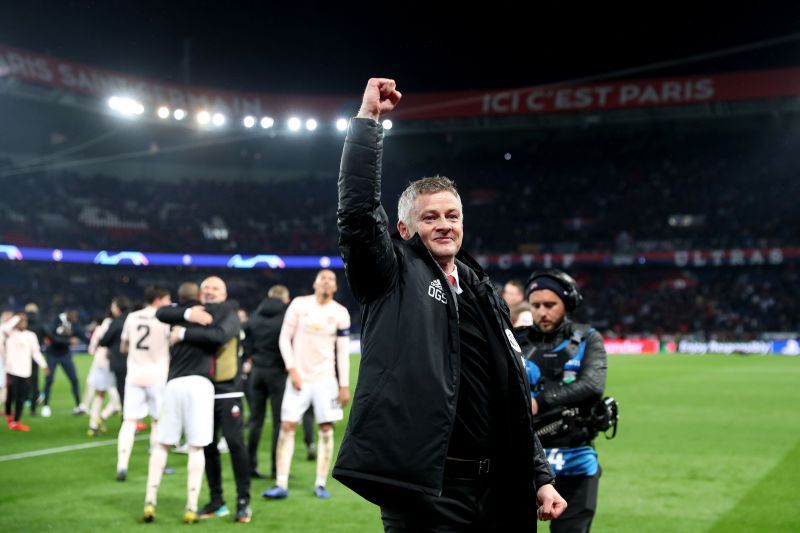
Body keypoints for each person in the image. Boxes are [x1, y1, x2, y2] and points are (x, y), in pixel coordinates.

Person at [334, 78, 565, 531]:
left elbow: (510, 392)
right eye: (430, 217)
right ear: (404, 229)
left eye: (452, 215)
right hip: (428, 493)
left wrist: (539, 476)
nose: (444, 225)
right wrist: (367, 124)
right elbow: (358, 217)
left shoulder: (482, 290)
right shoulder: (391, 274)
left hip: (501, 490)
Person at [148, 277, 250, 524]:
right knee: (208, 446)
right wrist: (187, 313)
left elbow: (219, 336)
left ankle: (243, 502)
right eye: (206, 288)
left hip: (228, 391)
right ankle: (217, 501)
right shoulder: (194, 312)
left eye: (215, 288)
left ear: (224, 294)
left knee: (235, 445)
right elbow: (161, 312)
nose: (209, 292)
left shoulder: (230, 313)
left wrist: (182, 332)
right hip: (202, 390)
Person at [519, 269, 608, 533]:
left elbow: (592, 385)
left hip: (576, 458)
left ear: (567, 304)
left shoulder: (588, 338)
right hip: (526, 463)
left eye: (550, 305)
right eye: (535, 306)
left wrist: (538, 401)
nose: (542, 312)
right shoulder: (516, 339)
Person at [262, 269, 351, 500]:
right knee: (287, 426)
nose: (326, 282)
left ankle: (320, 483)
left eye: (331, 279)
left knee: (325, 429)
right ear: (315, 283)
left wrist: (343, 385)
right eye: (322, 278)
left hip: (326, 381)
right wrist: (292, 369)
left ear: (335, 287)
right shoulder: (299, 305)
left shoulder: (340, 313)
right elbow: (284, 338)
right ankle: (281, 483)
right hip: (299, 378)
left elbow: (341, 352)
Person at [115, 287, 172, 481]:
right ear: (158, 299)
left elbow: (124, 345)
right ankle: (159, 463)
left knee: (129, 420)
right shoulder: (165, 318)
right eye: (166, 298)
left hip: (135, 375)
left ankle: (122, 464)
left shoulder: (132, 317)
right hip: (157, 375)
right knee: (157, 421)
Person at [245, 284, 291, 480]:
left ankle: (250, 466)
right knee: (278, 422)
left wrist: (251, 356)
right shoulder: (285, 318)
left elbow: (244, 339)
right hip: (277, 373)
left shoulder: (254, 316)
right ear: (284, 299)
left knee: (255, 421)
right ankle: (276, 468)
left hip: (256, 372)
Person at [3, 313, 49, 431]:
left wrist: (44, 365)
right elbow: (3, 328)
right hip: (11, 370)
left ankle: (16, 421)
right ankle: (8, 414)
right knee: (10, 396)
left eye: (25, 321)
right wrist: (17, 317)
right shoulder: (10, 334)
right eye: (21, 321)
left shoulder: (31, 335)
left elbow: (36, 352)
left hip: (25, 371)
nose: (23, 323)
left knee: (21, 397)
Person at [41, 310, 85, 417]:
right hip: (52, 354)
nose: (75, 320)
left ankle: (78, 405)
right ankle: (46, 406)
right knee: (49, 380)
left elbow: (81, 333)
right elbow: (53, 338)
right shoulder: (56, 321)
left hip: (65, 354)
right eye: (73, 317)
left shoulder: (73, 324)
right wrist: (68, 341)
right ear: (67, 314)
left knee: (74, 379)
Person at [85, 312, 121, 436]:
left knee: (99, 395)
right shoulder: (118, 325)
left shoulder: (100, 328)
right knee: (118, 397)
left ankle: (93, 426)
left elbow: (92, 348)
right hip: (112, 363)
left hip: (98, 363)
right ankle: (103, 416)